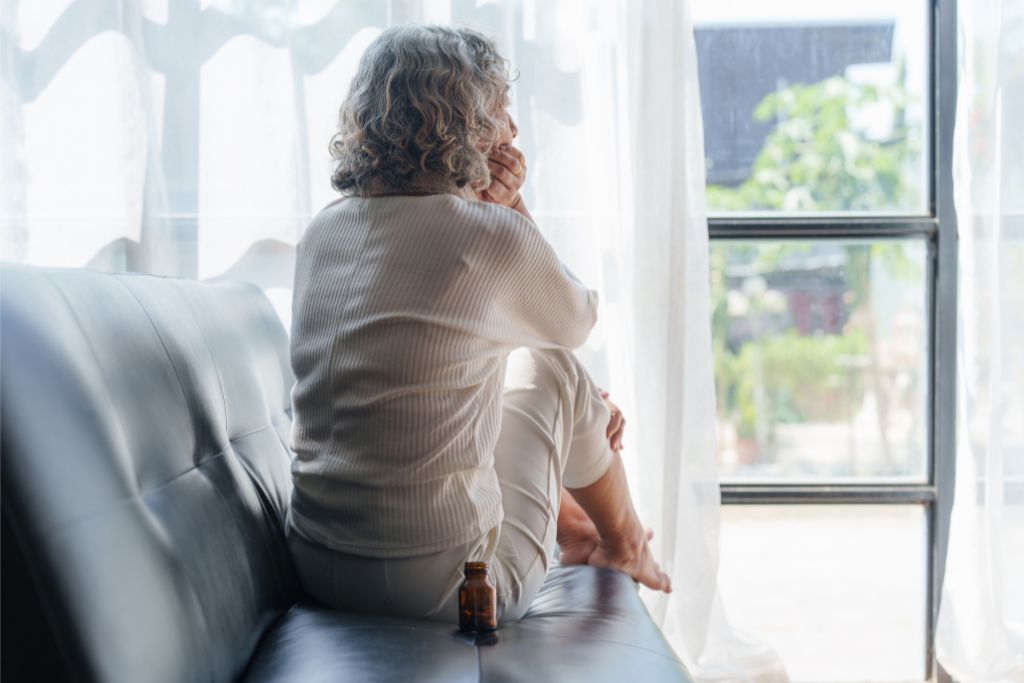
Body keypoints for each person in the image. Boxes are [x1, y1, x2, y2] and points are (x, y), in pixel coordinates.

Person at [287, 24, 670, 625]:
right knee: (557, 366)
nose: (513, 131)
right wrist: (514, 211)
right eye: (500, 109)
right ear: (457, 121)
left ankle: (579, 533)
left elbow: (432, 347)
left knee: (538, 371)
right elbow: (575, 319)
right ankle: (625, 545)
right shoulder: (487, 235)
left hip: (316, 562)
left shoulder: (322, 231)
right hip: (450, 588)